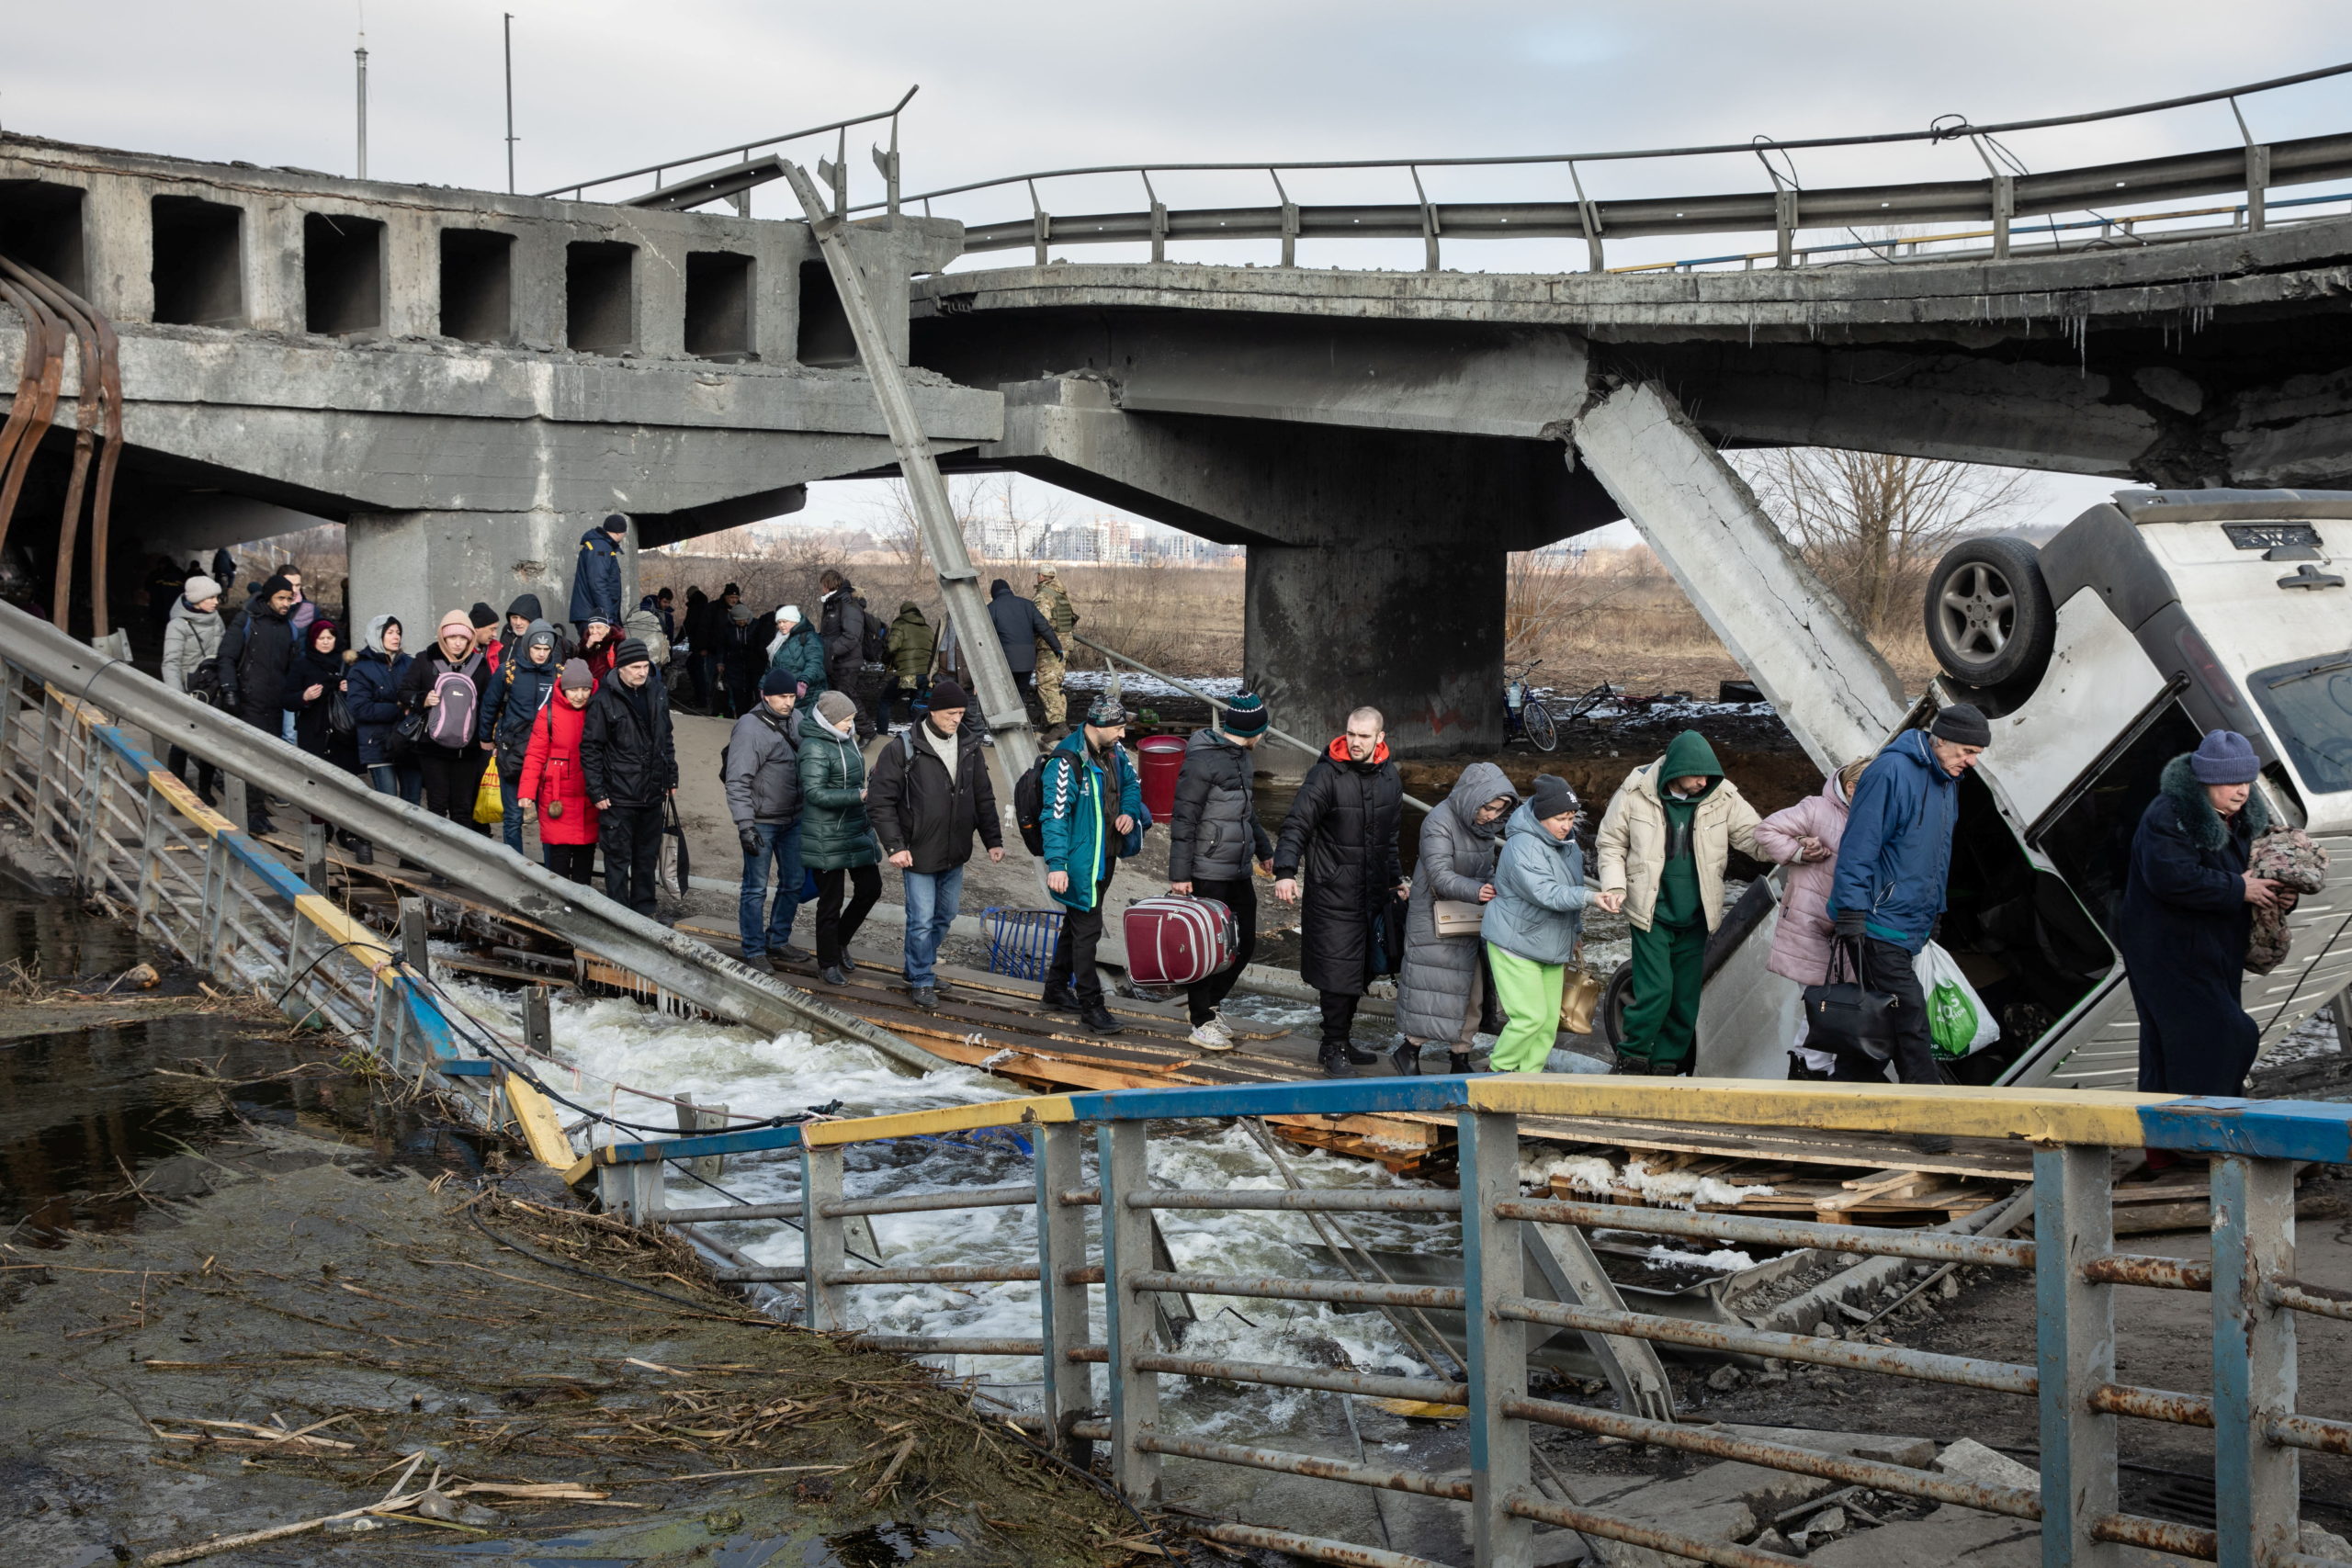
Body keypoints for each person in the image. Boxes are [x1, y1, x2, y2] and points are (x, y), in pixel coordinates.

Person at [2119, 730, 2290, 1102]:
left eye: (2246, 780)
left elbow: (2250, 876)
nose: (2242, 790)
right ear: (2205, 779)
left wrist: (2278, 895)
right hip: (2166, 949)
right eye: (2230, 781)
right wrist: (2238, 889)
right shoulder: (2169, 813)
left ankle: (2164, 1145)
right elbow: (2170, 877)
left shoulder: (2241, 818)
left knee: (2169, 1044)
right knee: (2227, 1034)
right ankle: (2202, 1129)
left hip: (2214, 946)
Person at [1826, 703, 1991, 1084]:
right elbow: (1859, 845)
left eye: (1977, 755)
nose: (1972, 763)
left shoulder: (1947, 781)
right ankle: (1929, 1118)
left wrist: (1935, 912)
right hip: (1876, 922)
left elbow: (1936, 854)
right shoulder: (1890, 773)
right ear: (1941, 738)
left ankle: (1846, 1095)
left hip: (1908, 922)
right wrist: (1851, 910)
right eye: (1967, 752)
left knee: (1883, 1020)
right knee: (1910, 1018)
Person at [1595, 729, 1762, 1077]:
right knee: (1656, 990)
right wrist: (1614, 886)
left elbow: (1756, 837)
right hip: (1650, 911)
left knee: (1685, 997)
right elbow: (1611, 844)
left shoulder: (1723, 795)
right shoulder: (1635, 791)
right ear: (1675, 771)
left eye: (1708, 775)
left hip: (1698, 914)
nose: (1704, 782)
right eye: (1697, 775)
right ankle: (1632, 1059)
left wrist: (1798, 848)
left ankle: (1667, 1065)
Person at [1273, 706, 1407, 1075]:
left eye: (1364, 736)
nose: (1356, 742)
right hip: (1333, 891)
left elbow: (1390, 838)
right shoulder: (1325, 775)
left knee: (1360, 970)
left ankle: (1341, 1040)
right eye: (1351, 734)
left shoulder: (1390, 777)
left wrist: (1395, 880)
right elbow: (1296, 824)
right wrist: (1285, 871)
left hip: (1372, 891)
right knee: (1336, 972)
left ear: (1380, 737)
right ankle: (1333, 1045)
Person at [867, 679, 1003, 1010]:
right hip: (916, 850)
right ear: (933, 711)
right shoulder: (903, 748)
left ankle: (918, 967)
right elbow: (880, 801)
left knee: (946, 914)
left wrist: (993, 839)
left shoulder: (969, 745)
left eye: (961, 713)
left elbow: (982, 796)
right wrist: (895, 846)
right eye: (950, 713)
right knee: (922, 918)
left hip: (955, 849)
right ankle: (922, 978)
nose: (956, 719)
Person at [1166, 691, 1275, 1050]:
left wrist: (1264, 850)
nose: (1264, 735)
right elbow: (1183, 820)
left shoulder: (1241, 758)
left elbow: (1246, 812)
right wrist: (1180, 875)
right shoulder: (1202, 761)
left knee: (1243, 944)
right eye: (1262, 729)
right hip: (1207, 868)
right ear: (1252, 729)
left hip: (1238, 867)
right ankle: (1200, 1021)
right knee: (1207, 948)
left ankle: (1208, 1007)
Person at [1754, 757, 1873, 1079]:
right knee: (1824, 999)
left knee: (1831, 999)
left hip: (1845, 926)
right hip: (1809, 923)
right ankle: (1812, 1068)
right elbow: (1766, 830)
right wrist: (1799, 852)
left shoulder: (1869, 815)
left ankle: (1810, 1067)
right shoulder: (1816, 808)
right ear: (1851, 788)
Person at [1395, 762, 1517, 1075]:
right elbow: (1439, 875)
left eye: (1498, 810)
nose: (1491, 815)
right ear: (1472, 797)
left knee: (1471, 992)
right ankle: (1409, 1050)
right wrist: (1480, 891)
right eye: (1488, 808)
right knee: (1431, 988)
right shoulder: (1439, 821)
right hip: (1433, 918)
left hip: (1469, 916)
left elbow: (1486, 869)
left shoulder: (1485, 830)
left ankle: (1460, 1057)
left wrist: (1496, 886)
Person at [1040, 695, 1147, 1036]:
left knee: (1076, 924)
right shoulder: (1066, 761)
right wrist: (1056, 865)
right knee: (1088, 929)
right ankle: (1092, 1006)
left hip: (1106, 856)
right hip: (1079, 864)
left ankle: (1055, 988)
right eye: (1118, 728)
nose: (1122, 735)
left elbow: (1132, 786)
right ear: (1099, 726)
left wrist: (1129, 812)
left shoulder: (1115, 753)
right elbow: (1054, 817)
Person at [1484, 775, 1593, 1075]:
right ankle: (1498, 1073)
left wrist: (1577, 932)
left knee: (1546, 1023)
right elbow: (1547, 893)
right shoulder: (1522, 846)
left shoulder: (1566, 844)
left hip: (1551, 940)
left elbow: (1572, 883)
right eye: (1560, 818)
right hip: (1515, 940)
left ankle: (1528, 1079)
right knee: (1529, 1017)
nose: (1566, 825)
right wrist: (1592, 897)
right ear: (1541, 815)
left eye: (1571, 818)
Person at [580, 637, 677, 918]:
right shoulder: (603, 700)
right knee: (618, 859)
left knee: (647, 858)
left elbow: (665, 738)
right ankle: (619, 915)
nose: (642, 671)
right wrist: (597, 791)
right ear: (620, 667)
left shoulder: (657, 692)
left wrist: (671, 776)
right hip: (617, 795)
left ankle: (645, 912)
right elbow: (591, 748)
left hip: (652, 791)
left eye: (645, 666)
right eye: (635, 667)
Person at [724, 669, 809, 968]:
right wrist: (745, 826)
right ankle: (754, 949)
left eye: (791, 696)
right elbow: (737, 780)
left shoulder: (797, 719)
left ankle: (778, 940)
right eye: (782, 697)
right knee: (755, 887)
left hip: (794, 818)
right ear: (765, 696)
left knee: (794, 882)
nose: (788, 702)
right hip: (761, 821)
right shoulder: (749, 728)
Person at [798, 689, 881, 985]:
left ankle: (840, 940)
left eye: (852, 719)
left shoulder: (848, 741)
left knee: (871, 888)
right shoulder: (813, 747)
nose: (850, 725)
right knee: (830, 901)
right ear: (828, 720)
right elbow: (814, 793)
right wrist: (858, 795)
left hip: (853, 827)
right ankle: (827, 963)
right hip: (824, 834)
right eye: (846, 720)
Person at [399, 609, 495, 841]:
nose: (458, 643)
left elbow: (488, 703)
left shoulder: (479, 665)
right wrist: (423, 699)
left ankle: (459, 863)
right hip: (432, 747)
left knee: (462, 808)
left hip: (467, 748)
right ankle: (438, 862)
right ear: (443, 636)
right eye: (453, 637)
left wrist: (487, 738)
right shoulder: (425, 659)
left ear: (470, 638)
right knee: (437, 804)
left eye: (463, 638)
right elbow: (404, 691)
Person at [216, 573, 300, 835]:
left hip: (275, 704)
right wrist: (230, 689)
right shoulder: (247, 620)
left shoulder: (290, 628)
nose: (286, 603)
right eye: (281, 598)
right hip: (247, 701)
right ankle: (253, 813)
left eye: (290, 598)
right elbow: (226, 657)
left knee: (266, 760)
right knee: (251, 758)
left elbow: (292, 666)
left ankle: (258, 812)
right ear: (268, 597)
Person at [480, 620, 562, 854]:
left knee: (547, 818)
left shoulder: (559, 673)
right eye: (537, 648)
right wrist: (486, 738)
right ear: (528, 646)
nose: (541, 654)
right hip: (513, 753)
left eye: (546, 650)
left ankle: (550, 871)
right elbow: (489, 705)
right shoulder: (508, 671)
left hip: (545, 756)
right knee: (513, 817)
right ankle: (515, 867)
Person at [519, 660, 602, 885]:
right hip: (557, 796)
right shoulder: (548, 714)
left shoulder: (598, 711)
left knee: (586, 854)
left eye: (585, 689)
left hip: (588, 794)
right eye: (574, 689)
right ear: (564, 689)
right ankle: (560, 905)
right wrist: (526, 791)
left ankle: (584, 903)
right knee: (559, 857)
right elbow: (535, 755)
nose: (579, 695)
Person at [161, 571, 224, 805]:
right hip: (189, 691)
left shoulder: (216, 619)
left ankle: (204, 790)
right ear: (197, 599)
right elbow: (171, 662)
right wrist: (177, 698)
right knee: (181, 743)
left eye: (216, 597)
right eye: (211, 598)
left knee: (209, 743)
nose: (216, 602)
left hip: (212, 689)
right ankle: (177, 793)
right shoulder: (178, 625)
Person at [346, 615, 419, 807]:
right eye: (390, 632)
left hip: (408, 741)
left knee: (413, 803)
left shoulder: (409, 664)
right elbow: (360, 708)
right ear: (376, 635)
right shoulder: (360, 669)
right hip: (377, 743)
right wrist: (398, 709)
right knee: (388, 804)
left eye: (398, 632)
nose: (396, 637)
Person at [986, 577, 1061, 718]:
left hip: (1006, 660)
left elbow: (985, 636)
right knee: (1021, 693)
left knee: (1006, 695)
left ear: (994, 593)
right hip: (1027, 660)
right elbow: (1044, 627)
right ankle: (1021, 722)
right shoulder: (1027, 605)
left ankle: (1009, 723)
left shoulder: (991, 608)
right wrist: (1057, 647)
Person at [816, 570, 874, 737]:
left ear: (827, 584)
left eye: (822, 585)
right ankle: (838, 732)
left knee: (848, 698)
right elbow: (831, 633)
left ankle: (868, 732)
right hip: (836, 662)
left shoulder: (847, 604)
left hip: (847, 663)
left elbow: (851, 636)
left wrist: (831, 651)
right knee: (837, 699)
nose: (821, 589)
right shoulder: (832, 603)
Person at [1033, 565, 1080, 734]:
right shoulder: (1061, 594)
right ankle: (1057, 721)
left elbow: (1040, 622)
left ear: (1041, 577)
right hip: (1065, 644)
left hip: (1050, 646)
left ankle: (1057, 724)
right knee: (1057, 684)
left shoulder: (1044, 596)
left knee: (1047, 684)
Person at [569, 513, 628, 635]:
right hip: (594, 618)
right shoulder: (600, 547)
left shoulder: (601, 545)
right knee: (598, 653)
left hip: (593, 615)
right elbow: (598, 583)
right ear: (619, 533)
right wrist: (607, 617)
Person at [883, 600, 936, 725]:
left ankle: (881, 735)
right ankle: (918, 736)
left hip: (908, 675)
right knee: (916, 706)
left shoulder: (900, 625)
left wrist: (885, 660)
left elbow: (891, 647)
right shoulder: (928, 629)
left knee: (886, 701)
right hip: (925, 675)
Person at [767, 604, 829, 703]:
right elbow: (771, 665)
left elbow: (814, 662)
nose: (781, 625)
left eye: (784, 621)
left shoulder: (810, 637)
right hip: (786, 693)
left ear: (794, 621)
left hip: (808, 693)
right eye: (779, 622)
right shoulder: (779, 640)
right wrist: (763, 685)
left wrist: (803, 682)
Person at [577, 612, 619, 684]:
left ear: (607, 629)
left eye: (598, 627)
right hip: (589, 685)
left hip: (610, 685)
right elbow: (578, 665)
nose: (594, 631)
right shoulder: (585, 641)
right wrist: (587, 647)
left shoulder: (617, 641)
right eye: (591, 628)